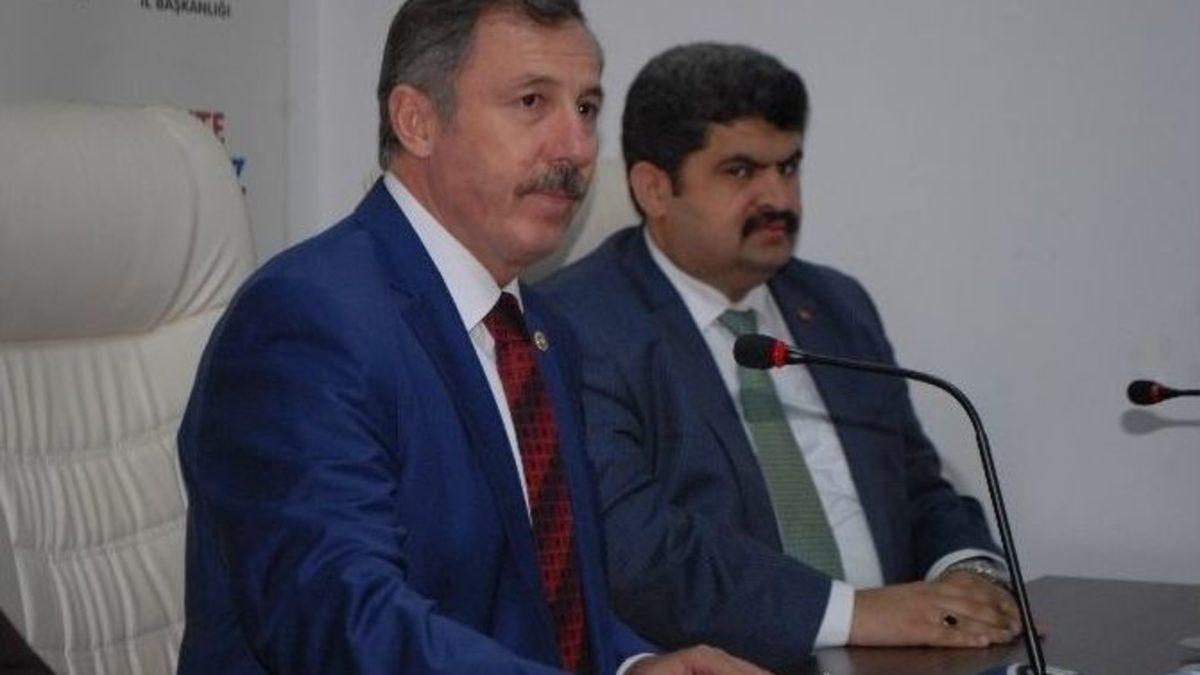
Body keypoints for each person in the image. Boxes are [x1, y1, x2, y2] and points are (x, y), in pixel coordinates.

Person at [175, 5, 767, 675]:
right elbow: (346, 623)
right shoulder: (304, 321)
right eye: (532, 102)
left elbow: (549, 603)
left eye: (587, 108)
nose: (576, 147)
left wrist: (635, 665)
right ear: (417, 121)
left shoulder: (541, 331)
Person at [538, 42, 1022, 669]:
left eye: (788, 167)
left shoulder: (837, 305)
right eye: (741, 172)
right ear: (654, 188)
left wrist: (971, 578)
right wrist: (855, 613)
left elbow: (918, 487)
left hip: (909, 657)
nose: (780, 199)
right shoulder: (575, 326)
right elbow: (636, 551)